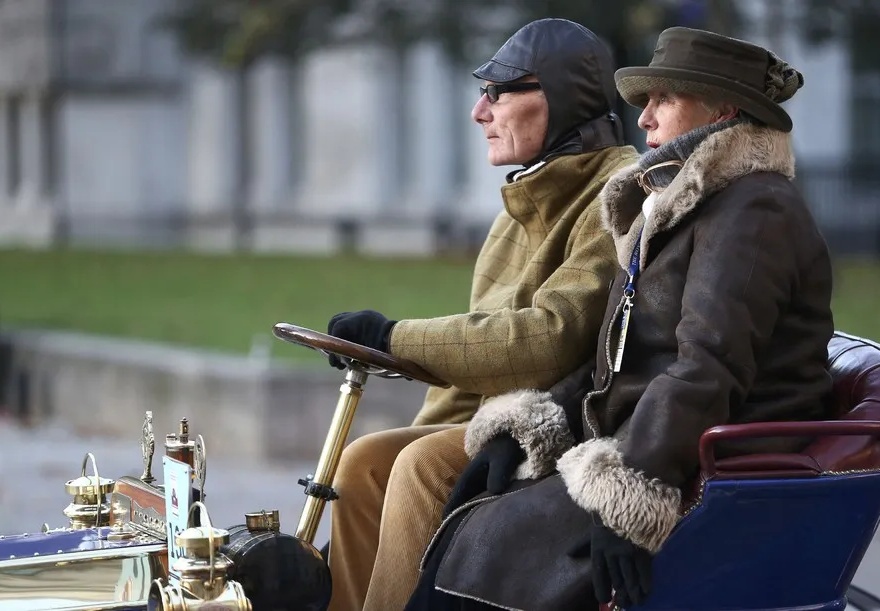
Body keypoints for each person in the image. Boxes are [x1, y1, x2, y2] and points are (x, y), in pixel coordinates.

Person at [405, 26, 836, 611]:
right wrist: (529, 423)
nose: (645, 119)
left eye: (663, 99)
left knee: (478, 552)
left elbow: (708, 368)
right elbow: (621, 358)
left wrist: (626, 494)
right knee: (464, 529)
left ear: (724, 110)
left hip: (707, 467)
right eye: (645, 101)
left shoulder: (753, 209)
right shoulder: (692, 206)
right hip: (645, 444)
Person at [321, 18, 641, 611]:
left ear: (561, 98)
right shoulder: (519, 206)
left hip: (567, 428)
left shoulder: (618, 195)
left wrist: (396, 336)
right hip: (491, 417)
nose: (479, 112)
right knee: (362, 463)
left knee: (419, 465)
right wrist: (391, 348)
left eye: (499, 92)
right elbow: (483, 350)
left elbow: (549, 339)